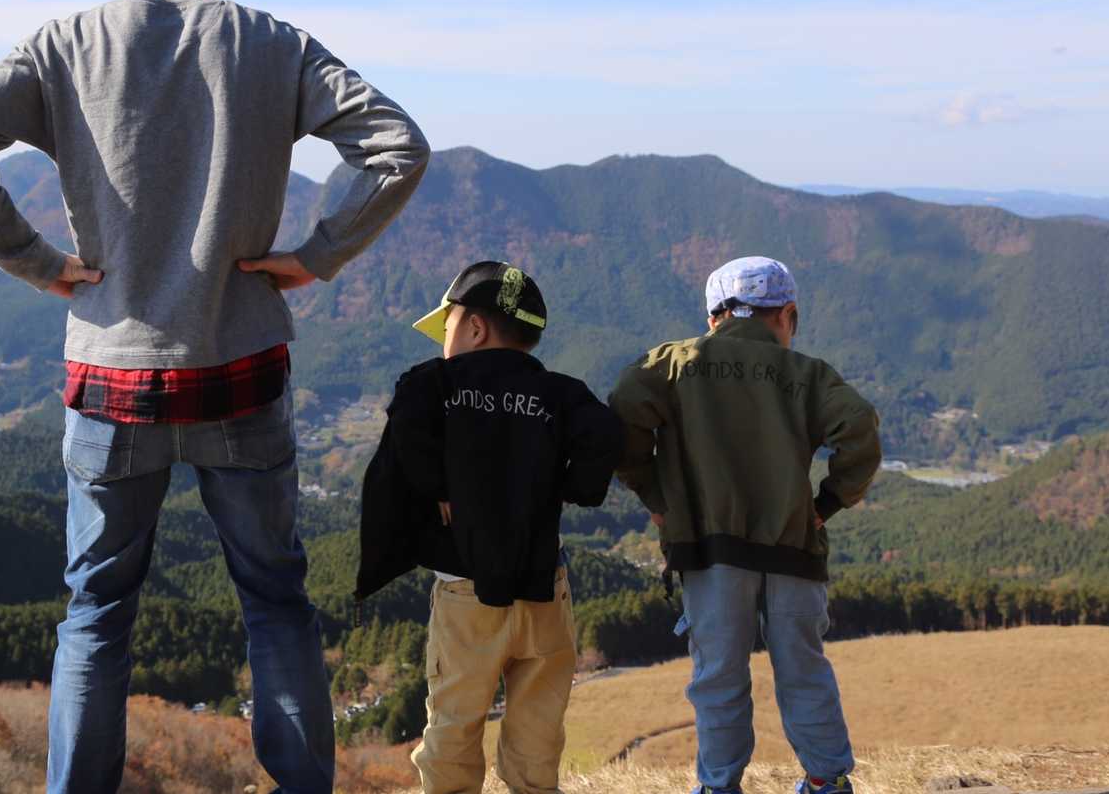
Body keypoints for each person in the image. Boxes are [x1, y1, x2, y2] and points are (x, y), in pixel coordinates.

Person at [0, 0, 430, 794]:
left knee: (95, 613)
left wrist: (38, 265)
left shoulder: (66, 46)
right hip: (241, 368)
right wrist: (316, 255)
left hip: (111, 374)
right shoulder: (272, 44)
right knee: (275, 601)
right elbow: (399, 147)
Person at [609, 256, 881, 794]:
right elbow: (860, 428)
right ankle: (827, 780)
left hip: (710, 553)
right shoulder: (809, 374)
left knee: (719, 677)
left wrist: (656, 494)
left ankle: (719, 785)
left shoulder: (674, 363)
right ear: (786, 314)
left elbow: (622, 413)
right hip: (794, 549)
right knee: (803, 670)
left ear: (715, 317)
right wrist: (827, 501)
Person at [356, 261, 622, 794]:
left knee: (454, 725)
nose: (444, 340)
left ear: (475, 327)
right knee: (538, 730)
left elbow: (406, 427)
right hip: (545, 587)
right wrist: (568, 486)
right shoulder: (560, 392)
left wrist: (439, 485)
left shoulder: (436, 384)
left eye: (448, 325)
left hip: (465, 592)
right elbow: (606, 435)